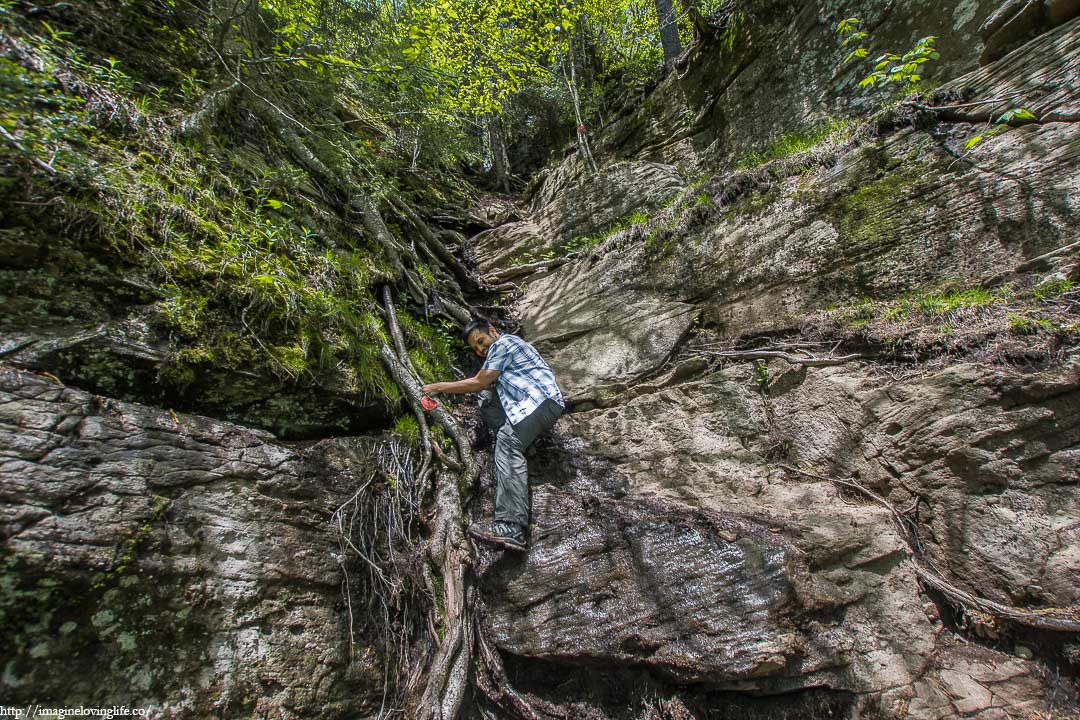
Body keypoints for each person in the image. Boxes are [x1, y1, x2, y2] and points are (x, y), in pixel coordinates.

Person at [422, 319, 564, 551]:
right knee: (487, 400)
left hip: (538, 403)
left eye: (481, 341)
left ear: (493, 332)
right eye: (475, 348)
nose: (480, 349)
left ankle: (511, 528)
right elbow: (485, 390)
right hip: (539, 405)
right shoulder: (502, 356)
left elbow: (479, 381)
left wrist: (438, 387)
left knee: (507, 446)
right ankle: (521, 444)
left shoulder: (503, 344)